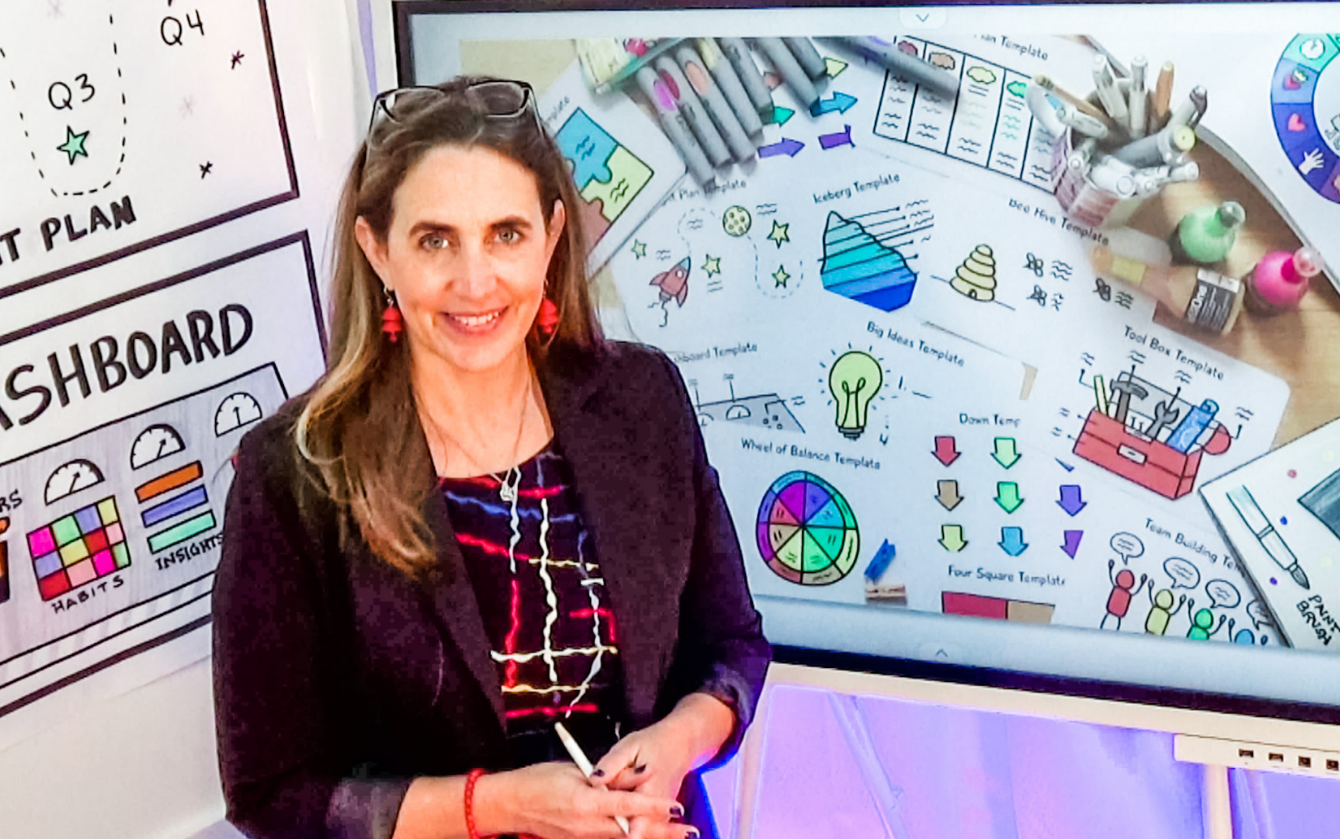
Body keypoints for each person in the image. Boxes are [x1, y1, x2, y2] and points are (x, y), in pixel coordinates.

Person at [211, 77, 771, 839]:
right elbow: (271, 791)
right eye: (435, 240)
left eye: (506, 233)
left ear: (552, 233)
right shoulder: (296, 473)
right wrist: (498, 805)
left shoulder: (643, 399)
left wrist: (678, 742)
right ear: (377, 249)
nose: (475, 282)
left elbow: (732, 645)